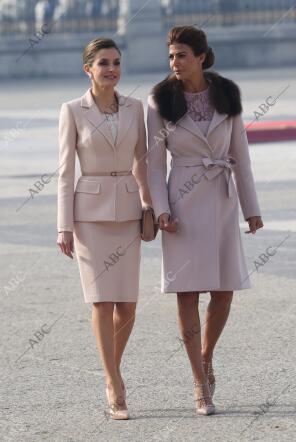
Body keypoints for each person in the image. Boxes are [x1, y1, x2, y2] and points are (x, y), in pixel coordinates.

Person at [147, 25, 263, 416]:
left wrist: (252, 209)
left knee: (224, 291)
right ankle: (199, 382)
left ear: (200, 56)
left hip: (222, 197)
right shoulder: (160, 99)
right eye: (170, 56)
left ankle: (206, 355)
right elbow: (152, 163)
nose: (174, 63)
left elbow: (241, 156)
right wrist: (161, 208)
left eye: (181, 55)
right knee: (187, 292)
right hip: (181, 202)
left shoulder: (227, 94)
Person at [57, 37, 152, 420]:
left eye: (116, 62)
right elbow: (65, 172)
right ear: (88, 70)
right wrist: (63, 226)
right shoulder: (72, 110)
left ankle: (110, 368)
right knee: (102, 302)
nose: (112, 69)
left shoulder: (136, 108)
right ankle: (114, 383)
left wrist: (151, 205)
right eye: (103, 63)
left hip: (129, 211)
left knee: (127, 305)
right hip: (89, 216)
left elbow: (143, 163)